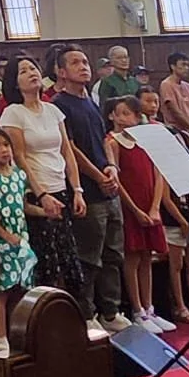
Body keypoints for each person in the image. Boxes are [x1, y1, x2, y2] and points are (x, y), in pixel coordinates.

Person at [48, 44, 128, 332]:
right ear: (61, 71)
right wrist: (97, 177)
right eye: (75, 63)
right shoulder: (60, 105)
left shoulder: (91, 102)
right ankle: (87, 311)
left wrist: (112, 168)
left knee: (112, 254)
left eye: (85, 62)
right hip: (89, 191)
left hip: (107, 187)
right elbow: (71, 149)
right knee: (88, 257)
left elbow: (104, 139)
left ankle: (111, 310)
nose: (83, 66)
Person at [0, 57, 87, 303]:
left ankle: (79, 315)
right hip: (37, 195)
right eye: (23, 71)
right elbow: (19, 157)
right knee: (48, 263)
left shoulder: (53, 110)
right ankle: (48, 320)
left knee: (70, 259)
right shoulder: (13, 113)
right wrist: (41, 194)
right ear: (15, 83)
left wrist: (77, 189)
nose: (31, 73)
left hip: (62, 188)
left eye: (33, 68)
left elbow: (67, 151)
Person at [106, 95, 178, 333]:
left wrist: (155, 207)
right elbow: (118, 181)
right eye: (122, 113)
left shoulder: (145, 141)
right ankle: (137, 309)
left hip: (150, 205)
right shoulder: (113, 142)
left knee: (147, 257)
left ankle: (149, 308)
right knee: (133, 257)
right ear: (112, 116)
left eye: (131, 114)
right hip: (130, 207)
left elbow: (158, 174)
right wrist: (136, 211)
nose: (127, 118)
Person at [0, 126, 34, 342]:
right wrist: (4, 235)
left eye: (6, 145)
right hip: (0, 241)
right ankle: (1, 338)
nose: (4, 150)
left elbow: (24, 205)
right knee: (2, 289)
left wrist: (45, 210)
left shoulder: (19, 175)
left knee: (20, 289)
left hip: (21, 237)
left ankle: (17, 333)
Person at [158, 52, 189, 136]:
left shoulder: (188, 86)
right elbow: (175, 111)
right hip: (177, 131)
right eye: (183, 65)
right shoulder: (166, 84)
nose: (187, 68)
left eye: (187, 65)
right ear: (173, 66)